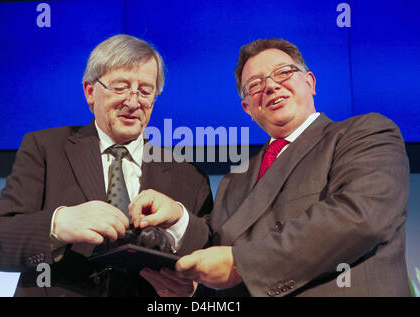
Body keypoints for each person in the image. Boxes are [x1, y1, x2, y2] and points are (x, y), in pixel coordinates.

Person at [140, 38, 411, 296]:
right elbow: (216, 248)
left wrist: (241, 265)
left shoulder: (364, 133)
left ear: (310, 82)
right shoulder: (234, 180)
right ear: (248, 108)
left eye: (283, 73)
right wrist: (177, 218)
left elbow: (360, 218)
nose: (270, 86)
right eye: (255, 84)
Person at [0, 34, 212, 297]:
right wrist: (58, 224)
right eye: (120, 87)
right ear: (90, 92)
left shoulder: (190, 176)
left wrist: (191, 289)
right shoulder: (44, 149)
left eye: (145, 91)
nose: (133, 102)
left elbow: (217, 271)